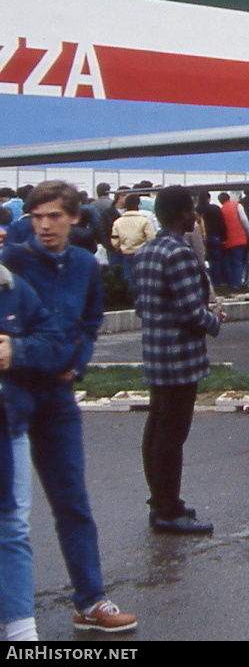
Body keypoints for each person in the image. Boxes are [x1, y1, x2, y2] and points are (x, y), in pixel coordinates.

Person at [2, 181, 137, 630]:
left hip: (57, 396)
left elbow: (92, 320)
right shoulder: (12, 263)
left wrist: (75, 363)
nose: (44, 225)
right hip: (16, 393)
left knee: (72, 501)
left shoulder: (83, 264)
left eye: (54, 216)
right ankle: (16, 615)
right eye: (37, 216)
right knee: (11, 515)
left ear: (74, 217)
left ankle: (90, 601)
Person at [133, 186, 221, 536]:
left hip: (155, 352)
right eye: (191, 210)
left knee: (156, 429)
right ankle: (168, 510)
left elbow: (142, 305)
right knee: (172, 435)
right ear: (179, 213)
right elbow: (190, 312)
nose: (196, 216)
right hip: (180, 357)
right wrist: (215, 320)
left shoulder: (146, 251)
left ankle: (161, 500)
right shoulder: (179, 253)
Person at [0, 226, 73, 640]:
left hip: (7, 429)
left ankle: (21, 631)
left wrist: (16, 352)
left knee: (11, 527)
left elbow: (54, 342)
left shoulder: (12, 289)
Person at [218, 192, 249, 290]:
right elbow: (244, 220)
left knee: (228, 262)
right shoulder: (237, 206)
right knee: (238, 262)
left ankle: (230, 283)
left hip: (226, 240)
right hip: (239, 238)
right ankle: (237, 283)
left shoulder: (221, 210)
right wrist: (248, 232)